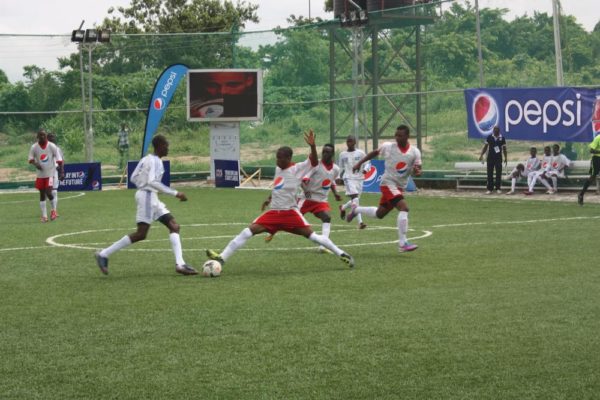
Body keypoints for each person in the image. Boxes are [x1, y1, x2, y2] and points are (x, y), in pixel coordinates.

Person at [206, 129, 355, 269]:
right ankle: (222, 258)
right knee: (246, 232)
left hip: (290, 214)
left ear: (288, 158)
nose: (277, 161)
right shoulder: (279, 169)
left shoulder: (297, 169)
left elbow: (314, 162)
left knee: (313, 237)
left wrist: (313, 146)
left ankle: (342, 253)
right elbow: (279, 187)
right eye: (276, 157)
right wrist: (269, 198)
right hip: (274, 213)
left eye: (280, 158)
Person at [94, 135, 197, 276]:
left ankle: (180, 264)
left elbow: (133, 177)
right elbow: (153, 181)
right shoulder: (156, 161)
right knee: (141, 233)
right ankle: (104, 254)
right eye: (166, 145)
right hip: (147, 197)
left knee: (174, 226)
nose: (168, 148)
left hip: (149, 196)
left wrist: (144, 186)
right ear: (160, 146)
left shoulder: (146, 159)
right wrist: (175, 193)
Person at [345, 125, 422, 253]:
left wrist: (417, 172)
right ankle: (402, 244)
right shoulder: (389, 147)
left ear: (407, 136)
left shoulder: (415, 152)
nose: (397, 138)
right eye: (396, 135)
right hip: (387, 183)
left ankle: (355, 210)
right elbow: (374, 153)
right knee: (404, 208)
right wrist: (359, 163)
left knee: (379, 214)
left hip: (399, 187)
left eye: (400, 135)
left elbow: (418, 171)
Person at [266, 143, 342, 253]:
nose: (325, 154)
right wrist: (306, 190)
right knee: (287, 216)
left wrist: (335, 193)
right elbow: (303, 178)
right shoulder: (316, 165)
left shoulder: (336, 169)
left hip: (321, 200)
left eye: (328, 152)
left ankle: (323, 246)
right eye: (323, 151)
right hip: (306, 198)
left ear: (333, 154)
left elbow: (331, 181)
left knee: (327, 217)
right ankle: (272, 231)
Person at [28, 130, 63, 222]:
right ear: (37, 137)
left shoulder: (51, 146)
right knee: (42, 194)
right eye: (40, 135)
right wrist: (36, 164)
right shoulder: (34, 147)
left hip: (50, 173)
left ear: (46, 136)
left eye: (44, 135)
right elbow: (30, 159)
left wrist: (62, 172)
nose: (42, 137)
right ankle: (44, 216)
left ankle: (53, 211)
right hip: (40, 175)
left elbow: (59, 160)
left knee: (49, 192)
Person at [189, 71, 257, 118]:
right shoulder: (192, 107)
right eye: (213, 85)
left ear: (249, 80)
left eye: (233, 85)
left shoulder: (257, 106)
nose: (223, 92)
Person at [338, 135, 368, 229]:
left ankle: (343, 207)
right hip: (348, 178)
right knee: (355, 199)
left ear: (355, 142)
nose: (349, 143)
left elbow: (367, 162)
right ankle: (360, 223)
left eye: (351, 141)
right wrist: (338, 176)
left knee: (355, 200)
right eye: (348, 141)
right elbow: (340, 167)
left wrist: (366, 169)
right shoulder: (342, 154)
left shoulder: (361, 153)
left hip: (359, 178)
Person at [479, 125, 507, 194]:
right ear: (493, 130)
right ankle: (490, 189)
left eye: (497, 129)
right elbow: (485, 147)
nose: (495, 130)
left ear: (499, 131)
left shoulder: (502, 138)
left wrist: (506, 158)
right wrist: (481, 155)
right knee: (489, 173)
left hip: (498, 158)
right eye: (494, 129)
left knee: (498, 173)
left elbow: (504, 149)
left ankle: (498, 188)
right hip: (490, 158)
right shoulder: (489, 137)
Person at [578, 134, 600, 205]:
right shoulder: (598, 138)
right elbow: (591, 150)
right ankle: (581, 194)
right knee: (592, 177)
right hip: (597, 159)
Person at [46, 132, 65, 217]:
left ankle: (54, 210)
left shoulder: (57, 149)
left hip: (54, 172)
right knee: (48, 192)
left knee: (54, 191)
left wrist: (62, 171)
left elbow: (61, 161)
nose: (52, 139)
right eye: (50, 137)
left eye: (53, 137)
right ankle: (51, 209)